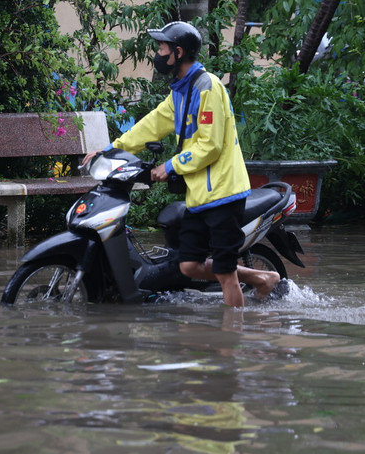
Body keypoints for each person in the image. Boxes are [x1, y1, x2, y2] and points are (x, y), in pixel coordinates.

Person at [84, 21, 279, 307]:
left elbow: (210, 145)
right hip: (200, 196)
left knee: (225, 273)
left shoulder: (207, 87)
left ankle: (233, 334)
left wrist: (170, 166)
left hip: (224, 193)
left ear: (178, 52)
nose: (158, 54)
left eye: (162, 48)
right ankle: (263, 278)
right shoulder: (180, 90)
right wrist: (110, 149)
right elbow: (151, 125)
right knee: (188, 266)